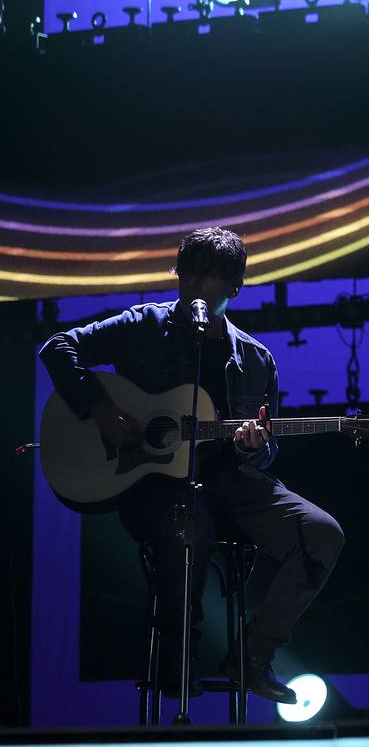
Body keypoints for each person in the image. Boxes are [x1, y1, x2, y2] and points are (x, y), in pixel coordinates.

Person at [40, 227, 344, 704]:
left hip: (233, 485)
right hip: (158, 489)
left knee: (322, 533)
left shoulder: (257, 360)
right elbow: (58, 347)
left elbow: (267, 452)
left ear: (234, 287)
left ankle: (253, 655)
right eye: (187, 273)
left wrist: (250, 447)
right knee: (188, 524)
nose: (194, 285)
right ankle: (178, 656)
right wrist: (99, 408)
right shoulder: (144, 325)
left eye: (209, 276)